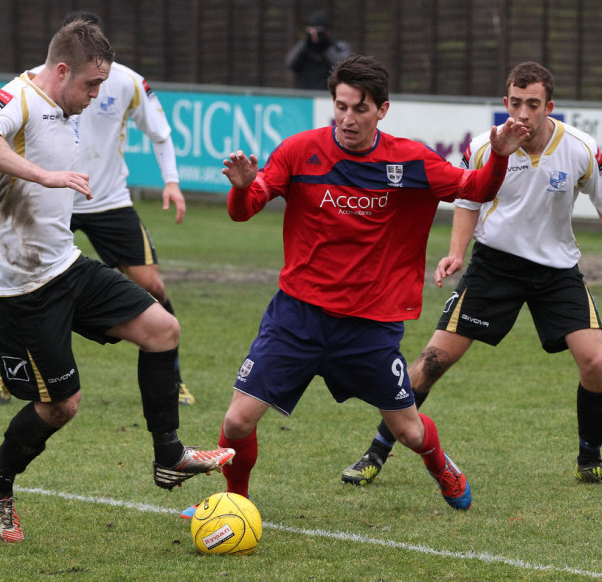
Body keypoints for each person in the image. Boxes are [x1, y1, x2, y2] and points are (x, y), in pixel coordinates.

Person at [195, 54, 528, 515]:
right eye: (341, 106)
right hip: (298, 315)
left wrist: (501, 157)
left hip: (369, 327)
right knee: (236, 422)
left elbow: (476, 189)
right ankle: (234, 506)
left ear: (382, 110)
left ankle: (440, 463)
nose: (348, 119)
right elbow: (245, 208)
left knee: (409, 432)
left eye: (360, 109)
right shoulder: (299, 151)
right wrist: (242, 185)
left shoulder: (410, 160)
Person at [0, 20, 234, 543]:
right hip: (17, 287)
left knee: (163, 329)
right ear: (62, 71)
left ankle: (169, 456)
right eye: (90, 85)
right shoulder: (15, 98)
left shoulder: (70, 104)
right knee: (61, 405)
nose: (96, 96)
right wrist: (46, 175)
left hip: (65, 265)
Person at [341, 61, 602, 489]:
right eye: (515, 103)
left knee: (596, 362)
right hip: (495, 265)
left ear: (549, 107)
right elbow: (467, 201)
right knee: (432, 361)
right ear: (505, 102)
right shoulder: (484, 146)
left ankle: (590, 460)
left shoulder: (580, 148)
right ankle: (375, 451)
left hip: (557, 271)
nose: (521, 113)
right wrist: (456, 253)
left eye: (532, 105)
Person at [0, 11, 196, 407]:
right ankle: (2, 369)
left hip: (108, 199)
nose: (94, 90)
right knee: (22, 286)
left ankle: (173, 377)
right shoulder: (39, 83)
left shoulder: (127, 81)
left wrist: (172, 182)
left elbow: (161, 134)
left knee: (151, 284)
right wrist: (42, 177)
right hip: (49, 201)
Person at [285, 11, 352, 90]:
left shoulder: (338, 46)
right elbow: (290, 63)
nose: (315, 34)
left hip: (328, 93)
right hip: (305, 93)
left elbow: (344, 67)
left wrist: (327, 46)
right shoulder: (305, 46)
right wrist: (306, 43)